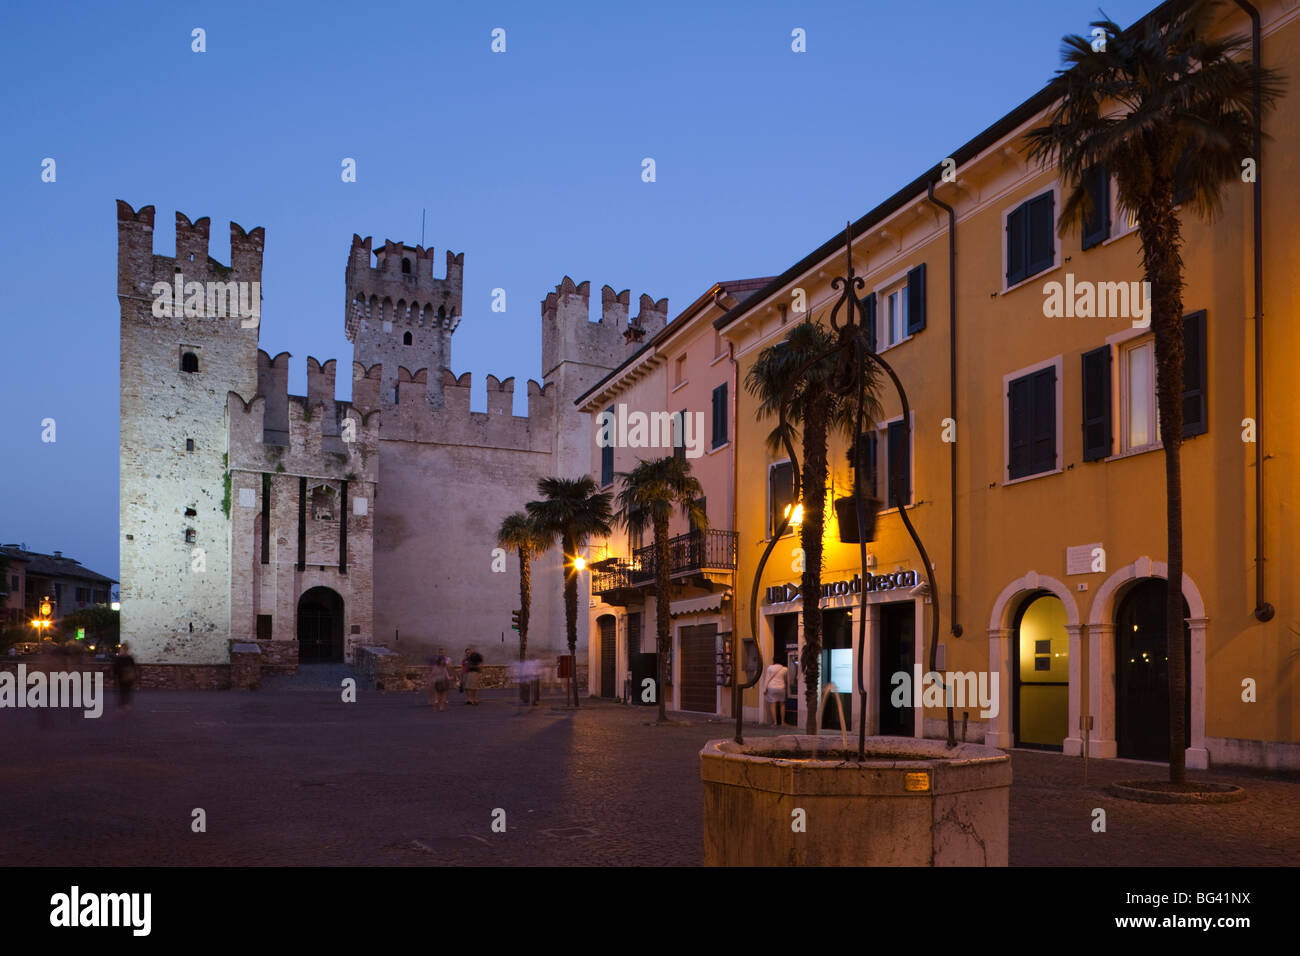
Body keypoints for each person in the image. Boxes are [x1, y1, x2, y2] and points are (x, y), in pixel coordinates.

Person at [112, 641, 138, 711]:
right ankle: (123, 704)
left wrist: (134, 676)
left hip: (128, 678)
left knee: (127, 691)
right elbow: (115, 669)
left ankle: (125, 704)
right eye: (123, 648)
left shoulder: (129, 658)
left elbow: (133, 667)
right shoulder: (119, 658)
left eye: (125, 648)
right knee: (123, 691)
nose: (124, 650)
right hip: (121, 677)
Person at [763, 659, 789, 726]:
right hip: (781, 688)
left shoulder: (770, 668)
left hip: (772, 687)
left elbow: (767, 678)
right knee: (782, 704)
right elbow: (786, 679)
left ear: (773, 660)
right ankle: (783, 722)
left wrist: (765, 689)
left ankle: (775, 722)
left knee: (773, 705)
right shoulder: (785, 669)